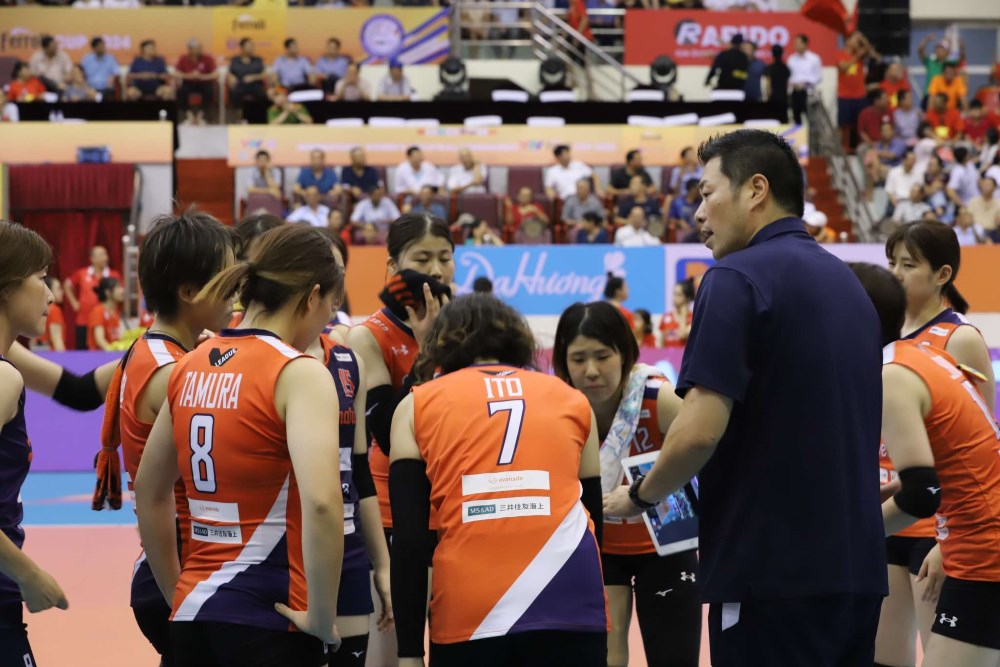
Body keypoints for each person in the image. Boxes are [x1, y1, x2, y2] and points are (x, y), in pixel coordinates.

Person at [603, 129, 888, 666]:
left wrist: (640, 496)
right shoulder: (849, 284)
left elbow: (699, 430)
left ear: (755, 190)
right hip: (857, 575)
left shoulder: (735, 277)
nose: (698, 214)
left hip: (770, 576)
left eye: (707, 194)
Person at [134, 224, 346, 665]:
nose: (327, 323)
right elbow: (324, 504)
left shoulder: (189, 364)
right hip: (269, 614)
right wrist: (323, 616)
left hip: (194, 613)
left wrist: (178, 591)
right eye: (330, 307)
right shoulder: (299, 373)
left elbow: (148, 491)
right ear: (312, 297)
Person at [389, 294, 608, 667]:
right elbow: (595, 519)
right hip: (570, 593)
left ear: (443, 342)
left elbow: (409, 540)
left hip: (471, 602)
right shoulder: (572, 400)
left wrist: (409, 650)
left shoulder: (416, 405)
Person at [92, 211, 233, 666]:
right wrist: (180, 597)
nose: (236, 291)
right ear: (189, 292)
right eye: (227, 279)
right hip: (180, 569)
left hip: (177, 565)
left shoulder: (164, 352)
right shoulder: (171, 371)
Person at [851, 263, 1000, 667]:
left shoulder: (894, 374)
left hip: (984, 550)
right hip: (970, 540)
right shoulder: (910, 355)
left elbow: (923, 494)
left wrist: (850, 535)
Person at [553, 302, 698, 665]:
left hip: (667, 545)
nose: (591, 371)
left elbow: (708, 446)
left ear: (625, 355)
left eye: (603, 356)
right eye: (578, 359)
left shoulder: (659, 398)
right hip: (599, 546)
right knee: (605, 656)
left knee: (674, 657)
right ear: (562, 362)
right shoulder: (559, 409)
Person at [346, 213, 454, 666]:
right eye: (422, 257)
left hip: (455, 510)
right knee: (390, 658)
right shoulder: (367, 336)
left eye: (445, 258)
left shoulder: (470, 325)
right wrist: (430, 351)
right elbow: (388, 434)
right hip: (394, 514)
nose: (435, 269)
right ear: (393, 266)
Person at [303, 239, 392, 666]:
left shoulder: (346, 361)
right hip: (280, 554)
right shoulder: (259, 362)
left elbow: (359, 470)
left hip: (349, 549)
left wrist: (383, 565)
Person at [0, 221, 69, 666]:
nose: (51, 295)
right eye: (42, 280)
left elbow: (81, 391)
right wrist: (30, 576)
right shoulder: (4, 378)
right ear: (6, 287)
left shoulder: (12, 362)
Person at [64, 245, 121, 350]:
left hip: (105, 320)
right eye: (101, 254)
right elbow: (67, 284)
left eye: (106, 254)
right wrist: (74, 303)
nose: (105, 257)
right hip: (84, 320)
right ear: (92, 259)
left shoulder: (113, 275)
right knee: (83, 354)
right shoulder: (82, 273)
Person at [838, 32, 871, 150]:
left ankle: (859, 149)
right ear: (847, 41)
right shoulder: (840, 54)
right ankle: (844, 149)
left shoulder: (861, 54)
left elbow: (869, 50)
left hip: (859, 95)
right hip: (845, 96)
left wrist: (862, 39)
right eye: (853, 40)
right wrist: (856, 57)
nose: (856, 42)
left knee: (860, 124)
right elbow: (843, 67)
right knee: (845, 125)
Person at [175, 39, 217, 126]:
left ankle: (200, 116)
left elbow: (216, 74)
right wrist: (189, 76)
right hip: (188, 83)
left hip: (204, 83)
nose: (200, 50)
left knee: (209, 90)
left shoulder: (208, 58)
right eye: (197, 48)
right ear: (190, 49)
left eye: (200, 48)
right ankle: (189, 115)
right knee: (181, 91)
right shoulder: (183, 58)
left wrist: (202, 77)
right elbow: (176, 73)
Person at [786, 34, 821, 125]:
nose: (795, 46)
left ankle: (812, 139)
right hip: (795, 92)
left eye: (798, 43)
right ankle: (798, 138)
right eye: (795, 43)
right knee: (796, 118)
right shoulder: (791, 59)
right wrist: (793, 83)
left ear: (805, 44)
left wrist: (805, 84)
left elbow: (818, 77)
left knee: (811, 119)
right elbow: (789, 76)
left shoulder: (814, 58)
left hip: (809, 93)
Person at [86, 277, 124, 351]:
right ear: (107, 292)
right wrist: (113, 353)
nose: (122, 291)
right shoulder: (98, 311)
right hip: (100, 358)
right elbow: (100, 340)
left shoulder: (116, 312)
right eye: (118, 287)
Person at [228, 38, 268, 105]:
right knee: (234, 92)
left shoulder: (258, 60)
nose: (251, 48)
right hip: (240, 86)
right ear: (242, 48)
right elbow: (230, 73)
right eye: (248, 46)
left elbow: (264, 74)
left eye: (252, 46)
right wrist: (231, 77)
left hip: (255, 86)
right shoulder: (235, 60)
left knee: (262, 94)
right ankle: (238, 113)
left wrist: (254, 77)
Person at [659, 280, 694, 348]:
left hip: (684, 357)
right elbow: (661, 344)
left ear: (688, 298)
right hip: (668, 357)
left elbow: (683, 335)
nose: (675, 298)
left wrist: (683, 316)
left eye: (679, 295)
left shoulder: (693, 318)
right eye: (674, 294)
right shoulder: (666, 317)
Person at [36, 277, 65, 352]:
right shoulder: (54, 310)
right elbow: (57, 340)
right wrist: (64, 361)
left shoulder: (38, 308)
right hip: (52, 356)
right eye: (58, 289)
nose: (62, 292)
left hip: (38, 354)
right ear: (49, 291)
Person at [762, 44, 790, 122]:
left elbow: (768, 82)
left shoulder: (770, 67)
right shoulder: (785, 68)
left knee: (773, 120)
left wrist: (767, 93)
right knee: (783, 120)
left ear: (772, 54)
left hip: (773, 98)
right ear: (782, 53)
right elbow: (787, 83)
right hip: (783, 97)